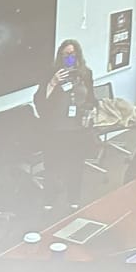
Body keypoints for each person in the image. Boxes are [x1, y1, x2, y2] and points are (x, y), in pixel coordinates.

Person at [33, 38, 97, 211]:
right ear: (60, 56)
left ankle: (73, 199)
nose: (70, 57)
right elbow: (39, 101)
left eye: (73, 54)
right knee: (52, 167)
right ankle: (49, 200)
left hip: (77, 129)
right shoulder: (50, 74)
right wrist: (53, 83)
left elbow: (91, 99)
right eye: (66, 54)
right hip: (55, 129)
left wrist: (90, 112)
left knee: (76, 166)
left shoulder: (85, 74)